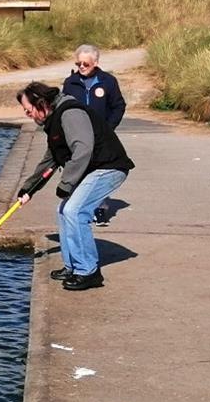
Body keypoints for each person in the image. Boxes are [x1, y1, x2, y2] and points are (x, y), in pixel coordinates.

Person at [16, 82, 134, 291]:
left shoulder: (70, 113)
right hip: (95, 169)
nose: (28, 115)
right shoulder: (53, 121)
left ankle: (88, 272)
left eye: (28, 110)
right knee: (63, 210)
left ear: (41, 103)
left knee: (75, 211)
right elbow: (51, 158)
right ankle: (72, 266)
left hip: (109, 167)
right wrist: (29, 189)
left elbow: (83, 150)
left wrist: (66, 183)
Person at [62, 44, 126, 226]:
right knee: (80, 170)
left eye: (86, 64)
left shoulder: (108, 81)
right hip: (78, 135)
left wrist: (108, 127)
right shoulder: (70, 83)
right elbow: (64, 108)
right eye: (79, 63)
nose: (82, 67)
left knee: (99, 171)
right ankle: (78, 207)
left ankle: (100, 208)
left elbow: (118, 106)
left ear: (95, 63)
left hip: (102, 136)